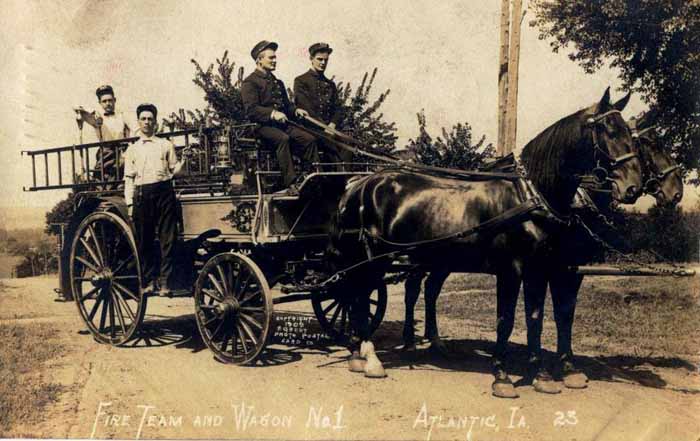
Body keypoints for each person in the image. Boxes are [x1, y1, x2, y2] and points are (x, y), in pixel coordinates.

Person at [240, 40, 320, 195]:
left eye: (275, 57)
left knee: (309, 139)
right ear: (259, 60)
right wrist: (272, 114)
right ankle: (291, 183)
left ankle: (311, 177)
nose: (275, 60)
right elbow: (251, 110)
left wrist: (296, 110)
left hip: (281, 125)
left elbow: (287, 106)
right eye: (271, 58)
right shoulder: (250, 82)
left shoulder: (277, 82)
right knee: (282, 139)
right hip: (261, 127)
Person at [123, 103, 185, 296]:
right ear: (139, 122)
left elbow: (174, 170)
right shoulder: (132, 149)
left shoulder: (165, 145)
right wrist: (130, 204)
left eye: (150, 119)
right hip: (142, 193)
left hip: (164, 191)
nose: (147, 122)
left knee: (168, 238)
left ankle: (165, 283)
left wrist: (183, 165)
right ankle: (148, 281)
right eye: (143, 119)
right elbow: (129, 179)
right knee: (145, 240)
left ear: (155, 122)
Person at [294, 42, 353, 168]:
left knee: (348, 145)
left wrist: (332, 124)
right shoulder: (300, 81)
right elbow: (305, 107)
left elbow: (338, 108)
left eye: (326, 60)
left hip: (330, 129)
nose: (323, 63)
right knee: (331, 146)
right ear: (311, 59)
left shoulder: (330, 84)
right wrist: (324, 127)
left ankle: (347, 179)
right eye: (319, 59)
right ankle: (329, 178)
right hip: (310, 128)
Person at [73, 85, 131, 182]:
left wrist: (125, 154)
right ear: (100, 103)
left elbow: (134, 130)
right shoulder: (98, 119)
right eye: (104, 101)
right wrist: (91, 110)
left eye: (110, 100)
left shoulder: (122, 116)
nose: (108, 104)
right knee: (101, 181)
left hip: (121, 152)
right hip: (105, 153)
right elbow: (76, 108)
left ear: (114, 100)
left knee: (122, 179)